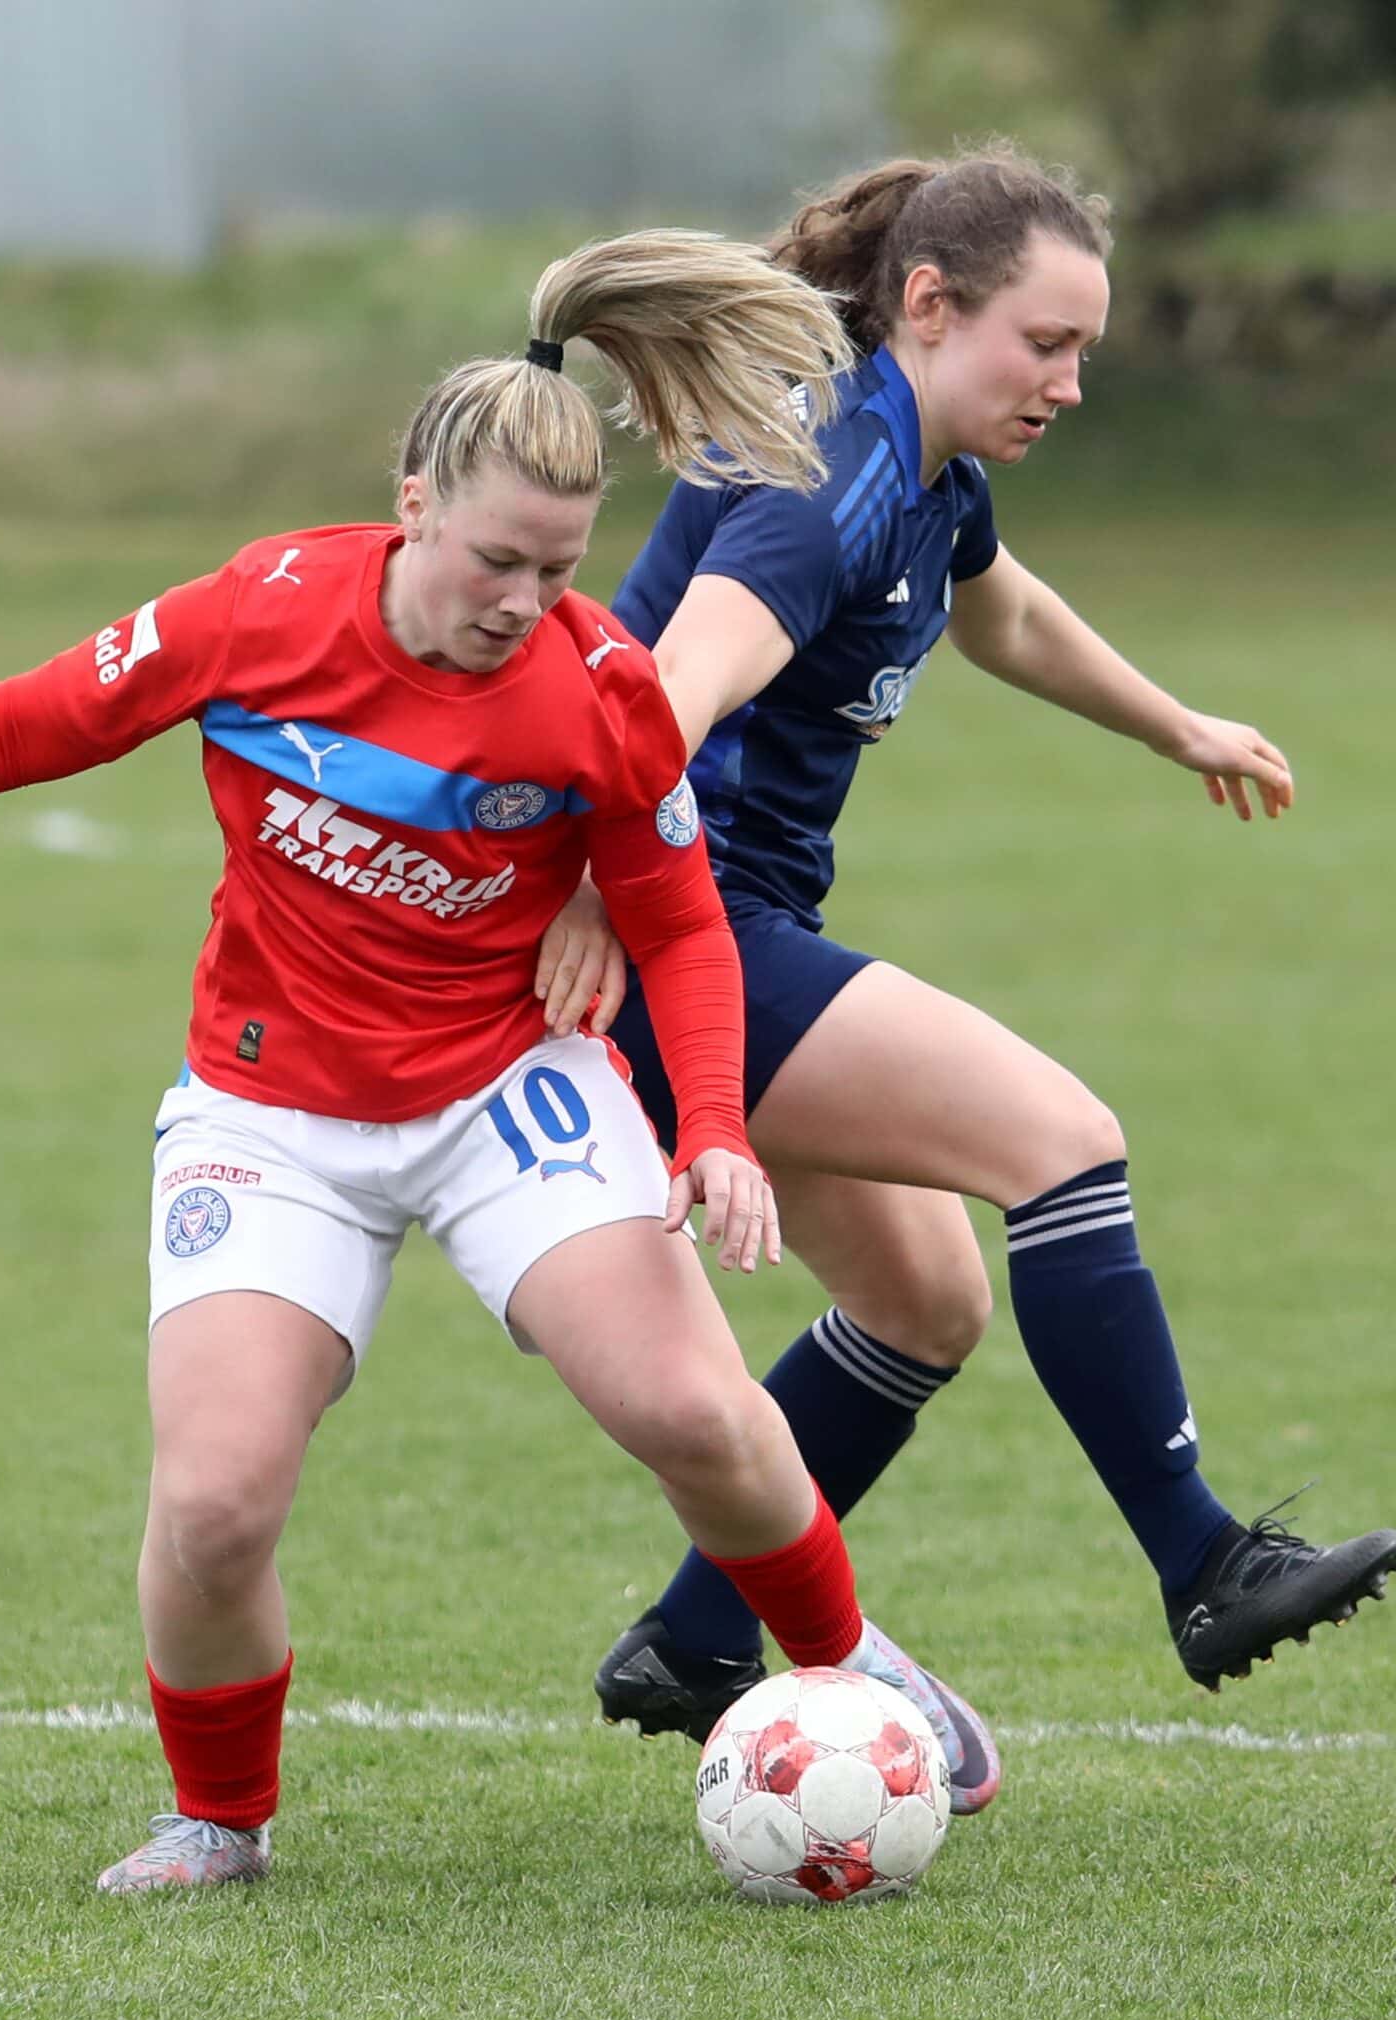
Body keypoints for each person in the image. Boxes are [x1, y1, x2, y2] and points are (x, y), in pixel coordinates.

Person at [0, 228, 1001, 1896]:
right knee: (217, 1504)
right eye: (494, 564)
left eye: (558, 568)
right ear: (411, 500)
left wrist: (720, 1132)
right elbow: (38, 719)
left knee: (694, 1411)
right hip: (269, 1110)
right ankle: (219, 1824)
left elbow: (680, 927)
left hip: (504, 1094)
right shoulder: (257, 614)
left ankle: (852, 1673)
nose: (524, 606)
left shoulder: (597, 688)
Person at [512, 152, 1396, 1744]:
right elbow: (672, 685)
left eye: (1084, 354)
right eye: (1044, 345)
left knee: (927, 1301)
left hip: (727, 919)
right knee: (1064, 1143)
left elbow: (1009, 616)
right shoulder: (835, 472)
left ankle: (698, 1638)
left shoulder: (928, 471)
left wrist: (1176, 723)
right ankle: (1204, 1566)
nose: (1068, 383)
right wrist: (594, 872)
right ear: (929, 304)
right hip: (671, 934)